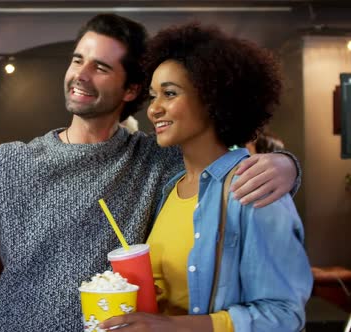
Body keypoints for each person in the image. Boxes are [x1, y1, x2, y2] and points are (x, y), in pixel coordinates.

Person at [0, 14, 301, 331]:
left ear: (131, 90)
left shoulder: (156, 158)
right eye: (77, 60)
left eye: (101, 67)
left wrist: (285, 165)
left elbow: (226, 155)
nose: (81, 75)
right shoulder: (13, 162)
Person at [101, 23, 312, 332]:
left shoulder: (253, 187)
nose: (154, 109)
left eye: (170, 94)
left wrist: (172, 326)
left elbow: (283, 315)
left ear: (213, 98)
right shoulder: (172, 189)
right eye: (153, 96)